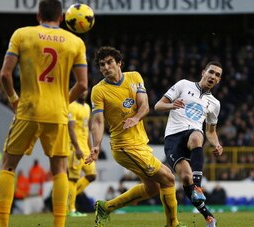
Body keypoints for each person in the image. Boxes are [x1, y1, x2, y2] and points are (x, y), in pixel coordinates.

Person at [0, 0, 88, 226]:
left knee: (8, 164)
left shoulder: (22, 35)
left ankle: (2, 224)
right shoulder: (75, 42)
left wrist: (13, 99)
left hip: (27, 109)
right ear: (61, 17)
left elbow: (5, 75)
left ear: (38, 15)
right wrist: (62, 102)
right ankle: (58, 224)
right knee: (59, 169)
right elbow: (83, 85)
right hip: (57, 113)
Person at [85, 46, 186, 227]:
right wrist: (96, 145)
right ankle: (173, 224)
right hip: (124, 146)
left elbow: (144, 105)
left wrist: (135, 118)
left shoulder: (134, 77)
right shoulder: (98, 91)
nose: (106, 67)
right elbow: (98, 121)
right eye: (102, 65)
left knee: (152, 188)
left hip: (139, 142)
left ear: (119, 63)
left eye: (109, 62)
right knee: (168, 178)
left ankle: (106, 208)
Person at [154, 61, 224, 227]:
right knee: (186, 178)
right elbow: (157, 106)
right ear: (203, 72)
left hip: (193, 134)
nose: (213, 76)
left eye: (217, 75)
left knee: (196, 137)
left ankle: (198, 187)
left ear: (219, 80)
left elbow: (211, 132)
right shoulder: (183, 85)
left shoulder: (215, 104)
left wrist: (217, 144)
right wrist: (172, 105)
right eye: (211, 72)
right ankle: (208, 216)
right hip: (172, 138)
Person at [67, 90, 97, 217]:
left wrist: (92, 149)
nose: (83, 92)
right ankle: (70, 209)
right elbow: (70, 128)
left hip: (85, 148)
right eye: (81, 90)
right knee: (73, 178)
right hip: (75, 148)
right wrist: (77, 147)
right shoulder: (71, 106)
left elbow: (88, 130)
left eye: (85, 90)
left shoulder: (87, 107)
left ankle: (68, 197)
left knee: (91, 175)